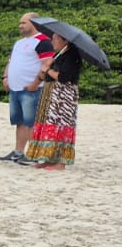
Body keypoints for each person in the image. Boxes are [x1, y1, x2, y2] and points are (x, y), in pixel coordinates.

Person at [23, 31, 83, 170]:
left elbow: (63, 77)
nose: (53, 42)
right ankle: (48, 158)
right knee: (48, 123)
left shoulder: (71, 55)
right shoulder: (59, 54)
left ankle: (60, 162)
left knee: (60, 124)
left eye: (56, 39)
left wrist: (47, 68)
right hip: (51, 92)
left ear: (65, 40)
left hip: (63, 95)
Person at [0, 13, 54, 163]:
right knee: (20, 121)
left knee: (31, 122)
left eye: (24, 22)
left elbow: (47, 64)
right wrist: (6, 77)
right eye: (20, 22)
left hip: (31, 89)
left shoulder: (43, 41)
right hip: (15, 88)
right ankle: (18, 151)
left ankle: (33, 153)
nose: (20, 25)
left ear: (34, 23)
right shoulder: (19, 43)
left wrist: (36, 83)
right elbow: (11, 62)